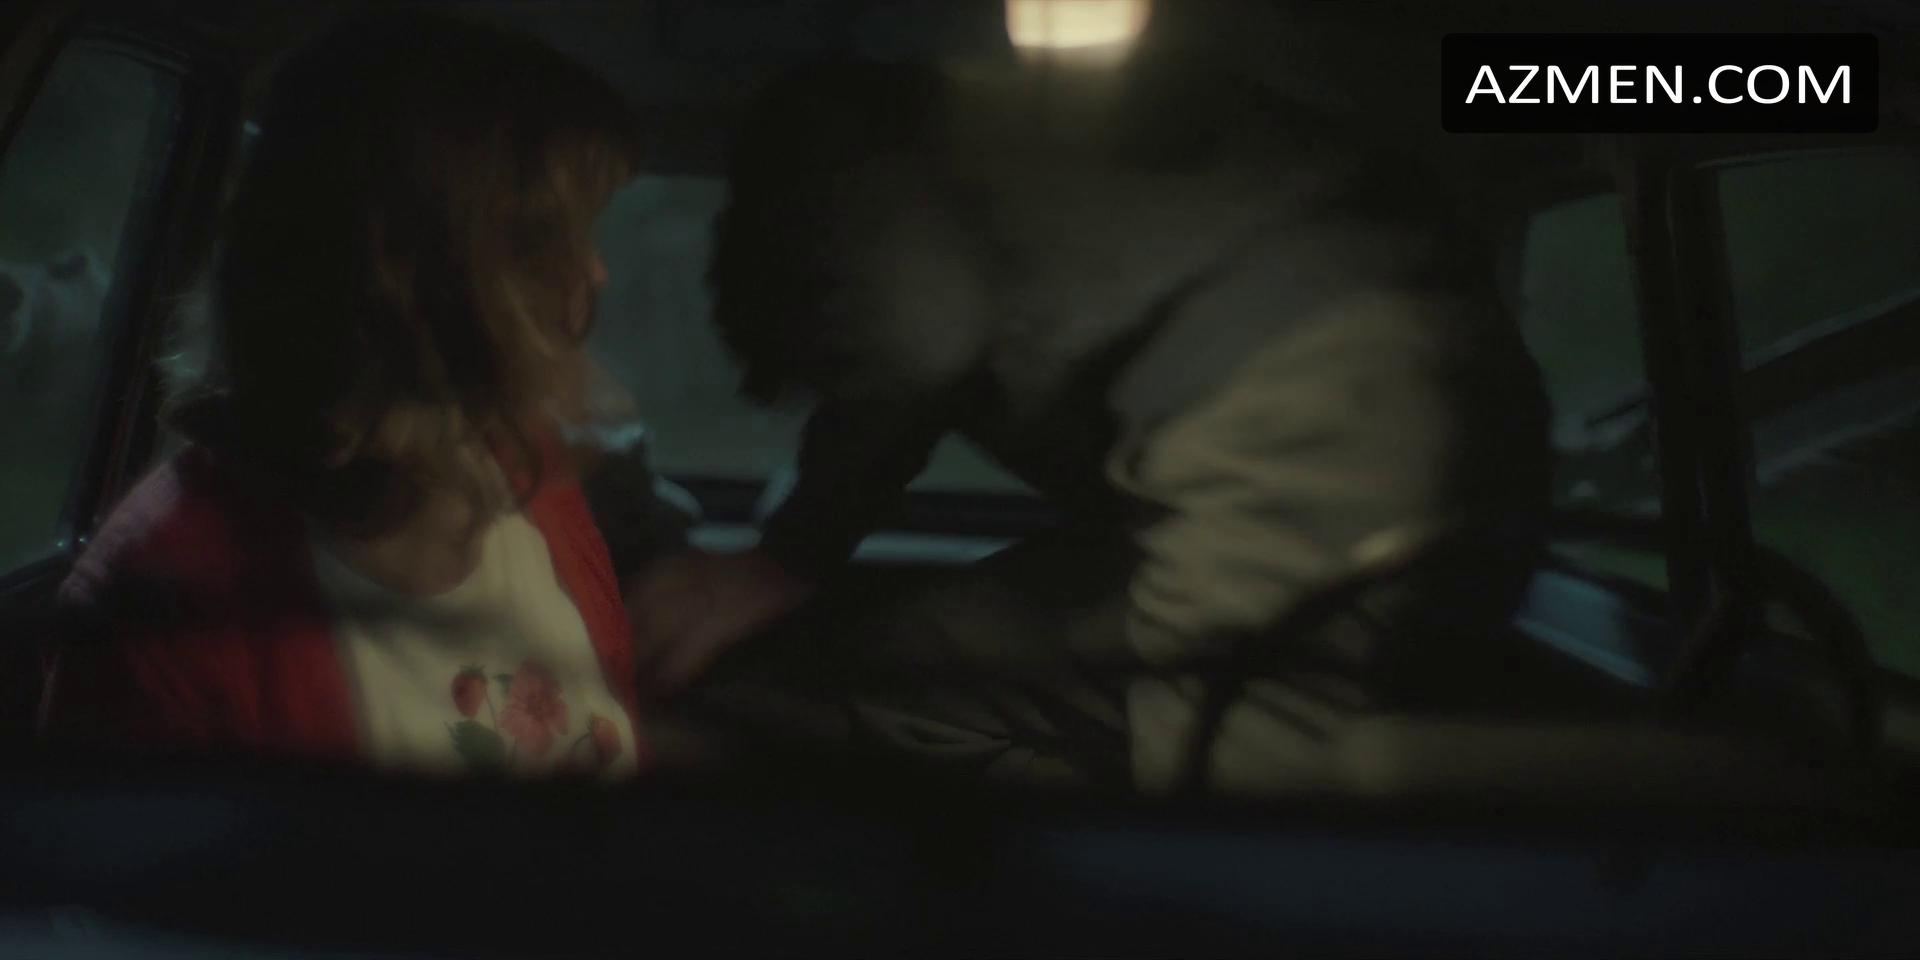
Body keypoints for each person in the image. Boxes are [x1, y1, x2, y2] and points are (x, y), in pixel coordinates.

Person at [631, 52, 1554, 792]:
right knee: (895, 677)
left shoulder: (837, 149)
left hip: (1297, 419)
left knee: (1234, 831)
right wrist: (794, 552)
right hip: (1408, 429)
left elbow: (916, 333)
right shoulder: (1039, 155)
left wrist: (795, 539)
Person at [39, 12, 649, 778]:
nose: (594, 273)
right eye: (551, 238)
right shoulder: (165, 614)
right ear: (412, 272)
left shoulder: (529, 480)